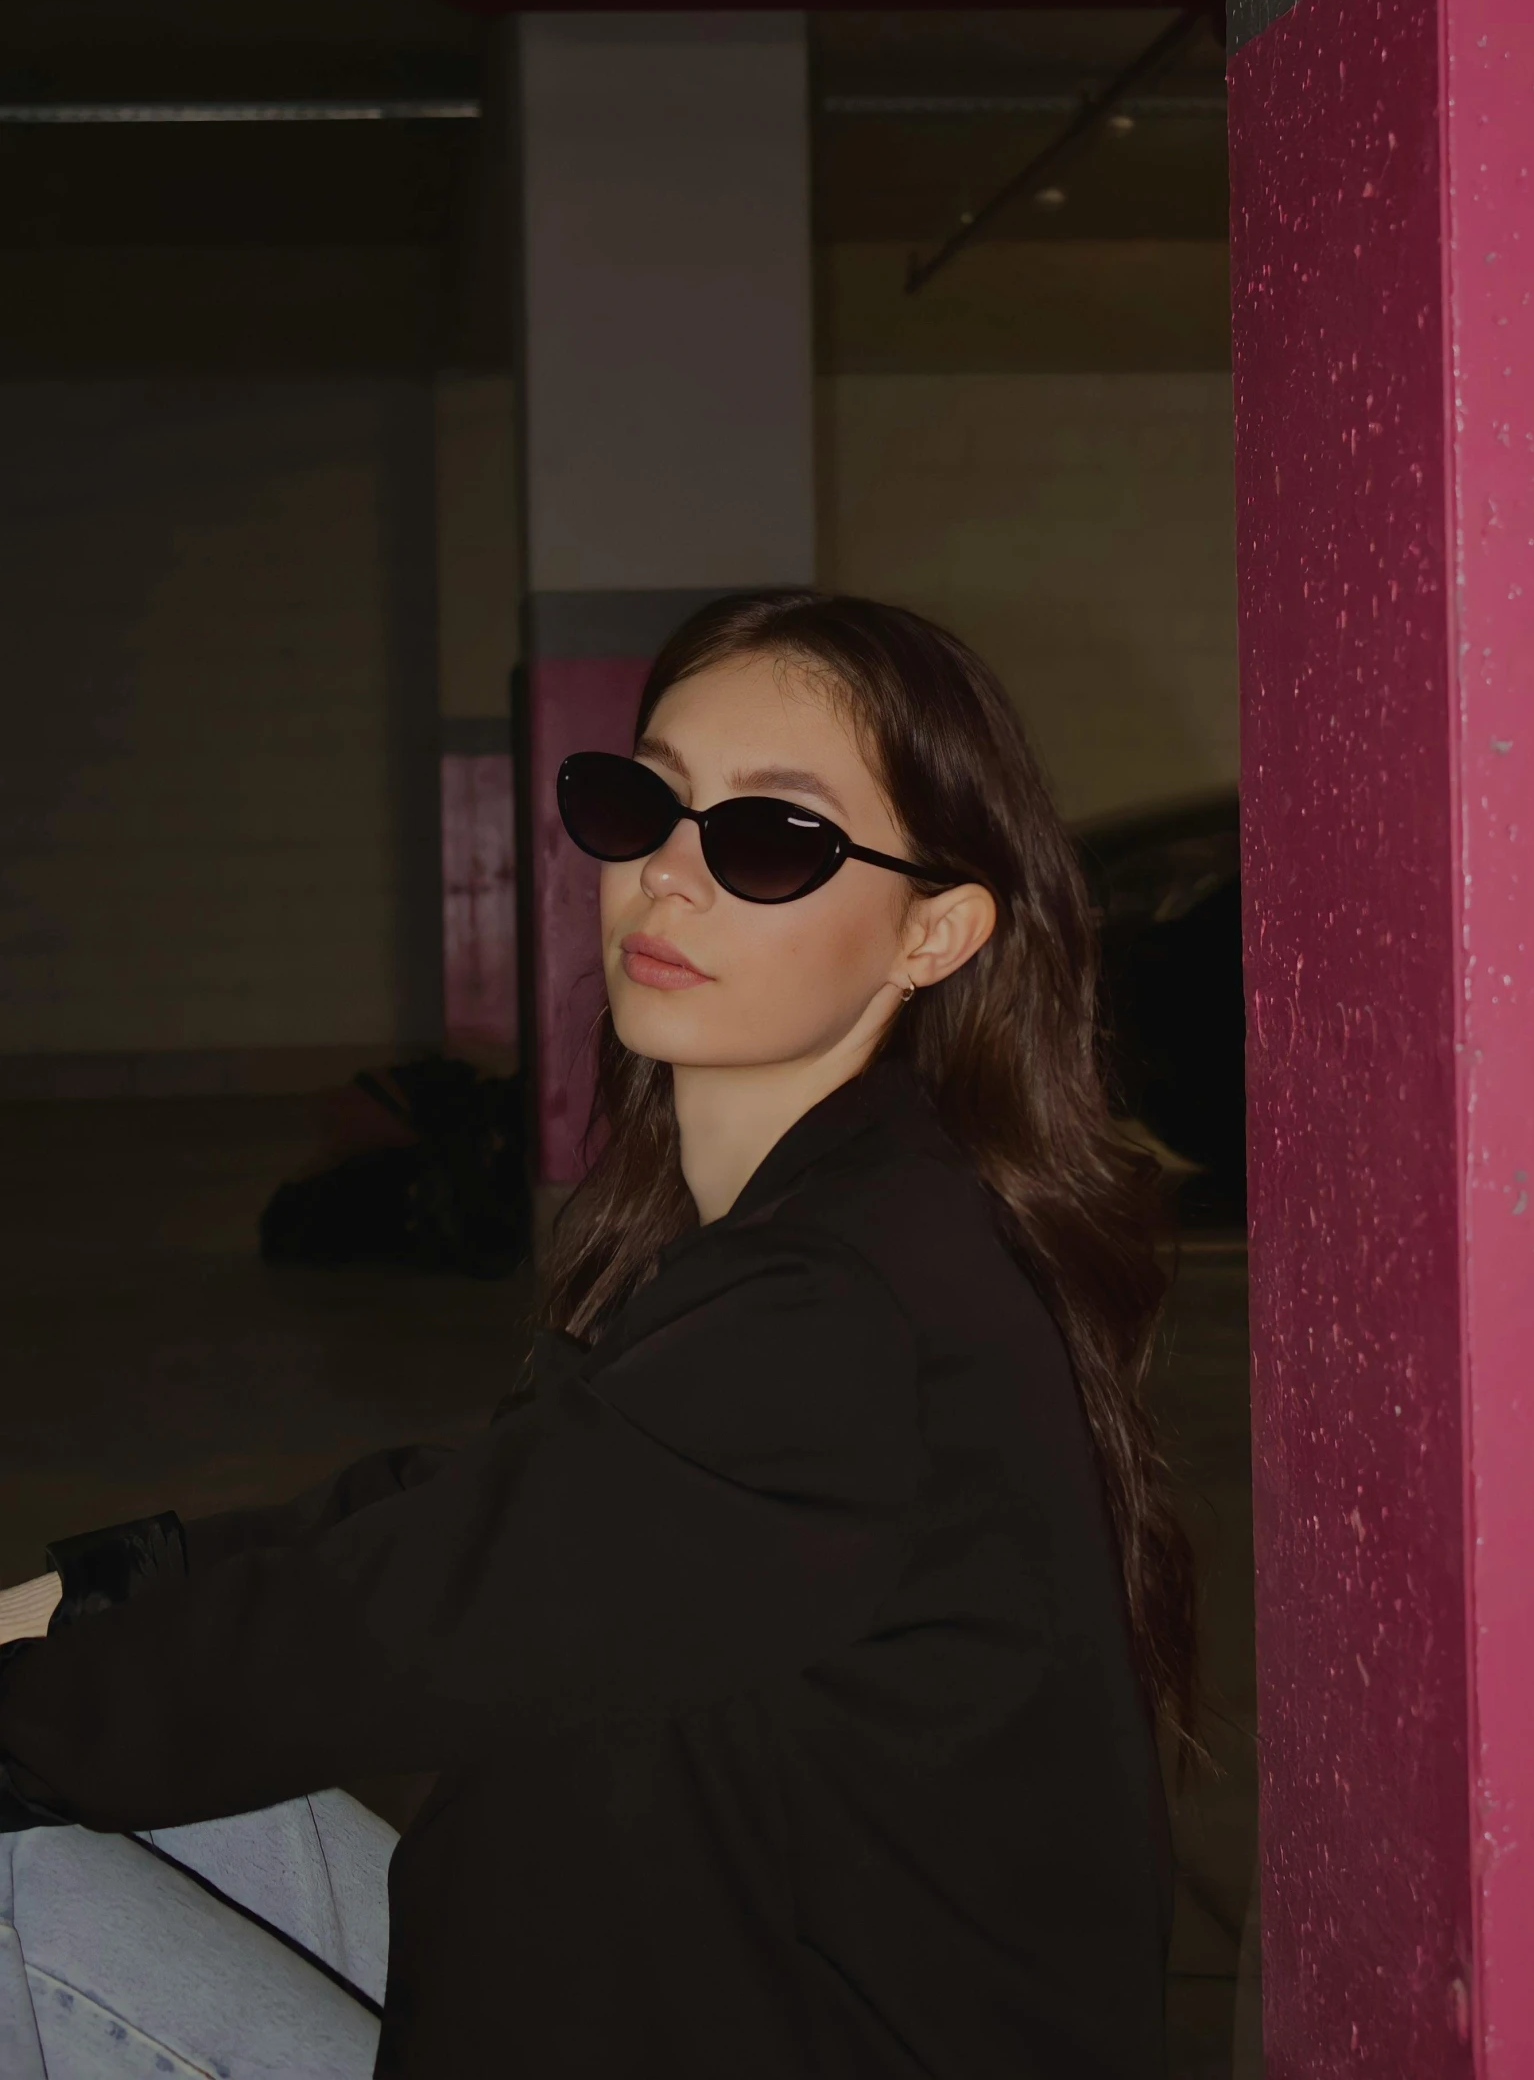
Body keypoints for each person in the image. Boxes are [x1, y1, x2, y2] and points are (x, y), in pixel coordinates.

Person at [0, 589, 1195, 2079]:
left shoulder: (846, 1310)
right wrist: (80, 1594)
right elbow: (466, 1523)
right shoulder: (825, 1216)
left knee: (22, 1885)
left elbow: (370, 1634)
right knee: (181, 1782)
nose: (669, 880)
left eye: (770, 839)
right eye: (647, 803)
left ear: (935, 931)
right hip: (682, 1981)